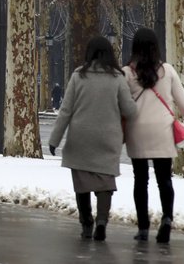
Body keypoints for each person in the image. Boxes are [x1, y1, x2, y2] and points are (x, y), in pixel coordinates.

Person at [123, 27, 184, 243]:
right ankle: (167, 219)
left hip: (137, 131)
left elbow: (121, 106)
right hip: (163, 131)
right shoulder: (167, 71)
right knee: (164, 180)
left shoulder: (126, 73)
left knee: (140, 180)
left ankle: (143, 227)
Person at [48, 36, 137, 241]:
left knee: (82, 184)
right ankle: (102, 221)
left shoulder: (79, 76)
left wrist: (55, 140)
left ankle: (86, 223)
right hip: (108, 139)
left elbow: (66, 110)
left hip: (80, 138)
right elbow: (129, 110)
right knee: (105, 182)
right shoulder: (117, 77)